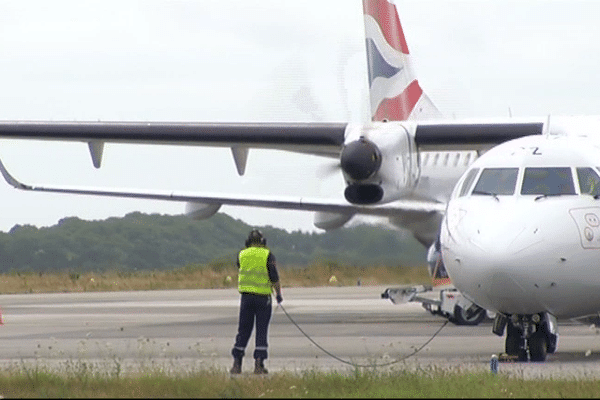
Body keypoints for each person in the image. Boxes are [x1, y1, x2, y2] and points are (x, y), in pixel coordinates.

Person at [230, 229, 283, 374]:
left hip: (246, 298)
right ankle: (259, 364)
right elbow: (274, 276)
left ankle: (237, 364)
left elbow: (240, 268)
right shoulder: (267, 254)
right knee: (261, 330)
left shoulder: (242, 254)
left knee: (243, 330)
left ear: (248, 242)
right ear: (262, 241)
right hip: (263, 298)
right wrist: (278, 294)